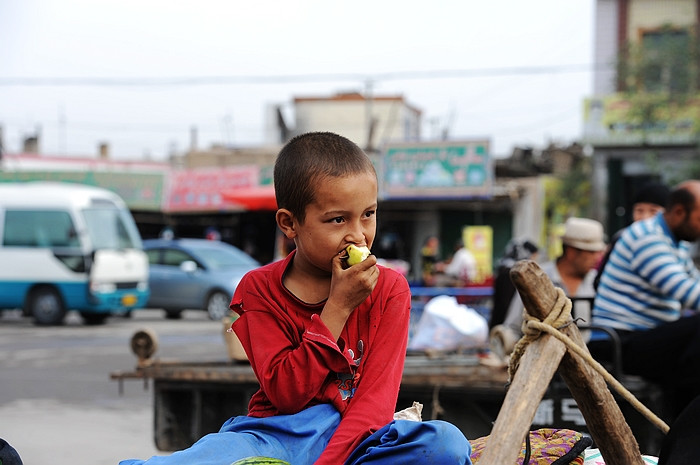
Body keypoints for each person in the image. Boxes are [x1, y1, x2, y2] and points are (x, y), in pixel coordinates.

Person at [119, 132, 472, 465]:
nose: (358, 235)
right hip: (279, 433)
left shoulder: (389, 288)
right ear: (290, 224)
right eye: (337, 220)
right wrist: (339, 307)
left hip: (361, 436)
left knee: (446, 444)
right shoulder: (259, 289)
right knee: (212, 454)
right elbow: (287, 394)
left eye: (368, 214)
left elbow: (374, 403)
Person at [590, 180, 700, 419]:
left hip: (647, 338)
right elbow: (690, 294)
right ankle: (682, 427)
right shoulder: (647, 237)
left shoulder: (675, 243)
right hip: (619, 342)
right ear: (680, 212)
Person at [499, 217, 606, 342]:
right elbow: (513, 328)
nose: (597, 258)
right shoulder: (536, 279)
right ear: (571, 252)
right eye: (591, 253)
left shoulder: (599, 282)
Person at [593, 181, 670, 290]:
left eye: (653, 211)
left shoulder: (672, 242)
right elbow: (600, 281)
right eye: (639, 210)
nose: (645, 217)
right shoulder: (622, 238)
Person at [489, 238, 539, 330]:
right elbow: (507, 303)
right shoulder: (513, 273)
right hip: (507, 326)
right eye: (533, 256)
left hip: (500, 323)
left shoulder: (504, 267)